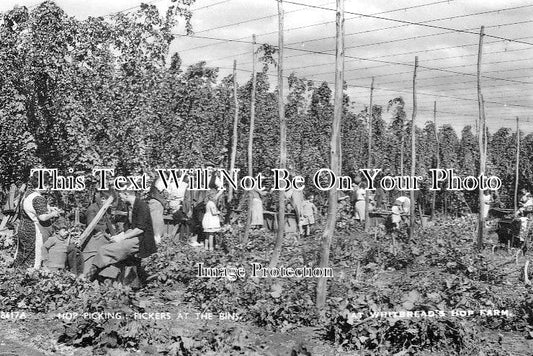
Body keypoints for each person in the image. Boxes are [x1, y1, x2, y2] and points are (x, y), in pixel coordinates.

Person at [84, 190, 157, 282]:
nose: (120, 198)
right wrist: (120, 235)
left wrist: (122, 237)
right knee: (109, 245)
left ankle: (87, 279)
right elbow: (129, 226)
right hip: (132, 236)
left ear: (126, 194)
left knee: (105, 250)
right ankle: (104, 278)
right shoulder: (129, 205)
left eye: (120, 195)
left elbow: (140, 229)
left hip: (142, 240)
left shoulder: (142, 206)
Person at [14, 176, 61, 269]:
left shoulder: (28, 194)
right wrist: (53, 214)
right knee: (34, 257)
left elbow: (31, 207)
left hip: (23, 227)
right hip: (33, 231)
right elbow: (42, 217)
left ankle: (17, 274)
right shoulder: (39, 198)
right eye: (46, 185)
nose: (48, 187)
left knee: (23, 254)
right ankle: (30, 279)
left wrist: (49, 208)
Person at [83, 191, 116, 274]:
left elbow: (109, 223)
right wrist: (103, 231)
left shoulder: (106, 209)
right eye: (110, 202)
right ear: (103, 199)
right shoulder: (92, 208)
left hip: (104, 236)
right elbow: (91, 225)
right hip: (94, 237)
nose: (111, 204)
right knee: (91, 260)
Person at [147, 177, 167, 245]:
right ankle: (156, 239)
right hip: (156, 201)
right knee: (156, 220)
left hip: (157, 201)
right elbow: (156, 222)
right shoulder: (161, 179)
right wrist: (157, 236)